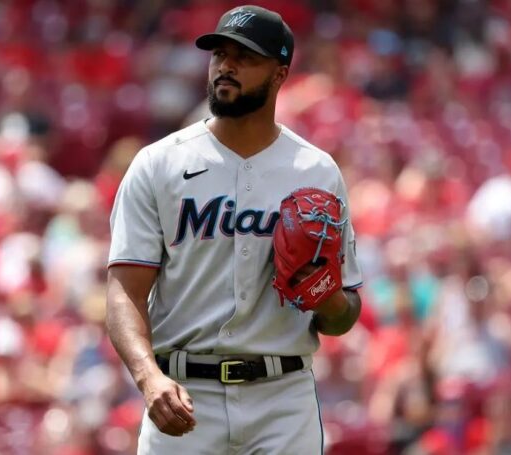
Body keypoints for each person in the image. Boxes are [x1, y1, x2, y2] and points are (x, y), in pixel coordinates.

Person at [105, 5, 363, 454]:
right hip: (185, 394)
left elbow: (344, 316)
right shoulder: (160, 164)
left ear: (280, 74)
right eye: (220, 54)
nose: (226, 65)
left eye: (245, 57)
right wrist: (149, 377)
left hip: (282, 398)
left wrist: (328, 296)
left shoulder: (317, 171)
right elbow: (124, 290)